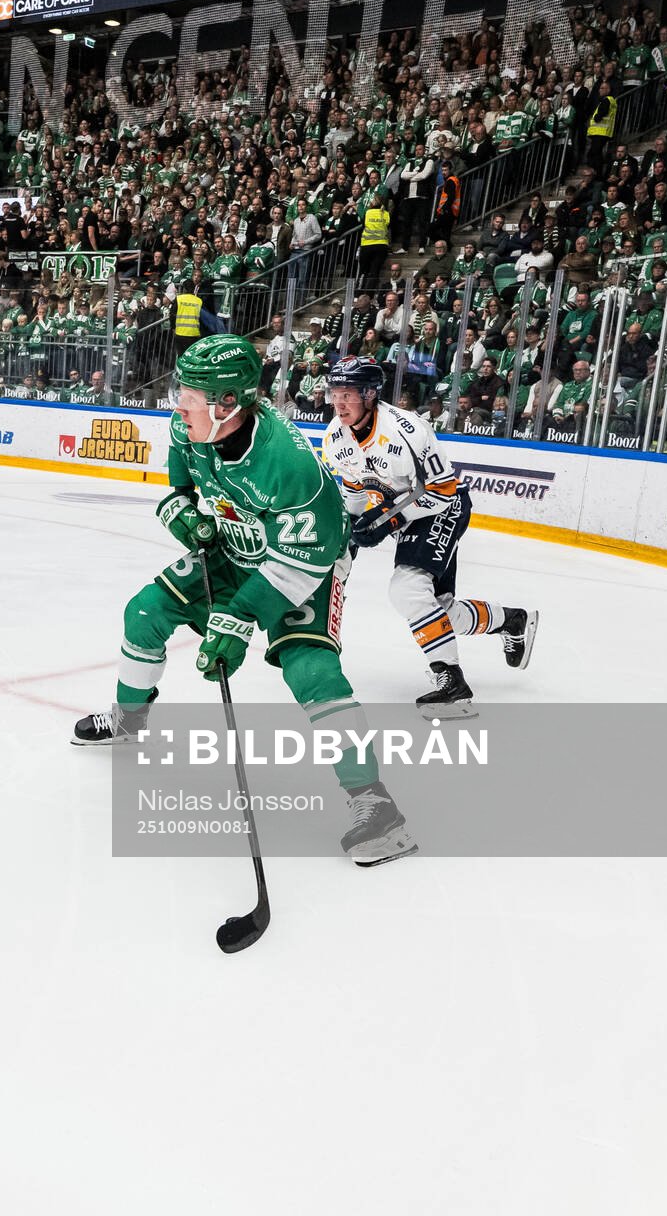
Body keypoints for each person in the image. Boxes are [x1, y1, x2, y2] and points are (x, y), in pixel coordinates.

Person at [70, 335, 417, 868]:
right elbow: (180, 486)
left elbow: (303, 561)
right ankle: (129, 718)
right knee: (145, 613)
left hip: (307, 565)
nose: (177, 403)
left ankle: (375, 804)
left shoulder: (291, 466)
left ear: (227, 403)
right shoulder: (192, 423)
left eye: (189, 394)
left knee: (313, 672)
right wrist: (181, 512)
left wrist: (236, 620)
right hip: (234, 549)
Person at [319, 360, 539, 717]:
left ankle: (451, 681)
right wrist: (351, 537)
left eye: (347, 395)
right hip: (404, 516)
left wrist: (389, 522)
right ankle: (510, 620)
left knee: (406, 590)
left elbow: (444, 489)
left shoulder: (407, 429)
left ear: (370, 394)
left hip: (443, 508)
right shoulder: (335, 437)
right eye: (334, 394)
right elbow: (356, 492)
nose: (338, 403)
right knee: (438, 612)